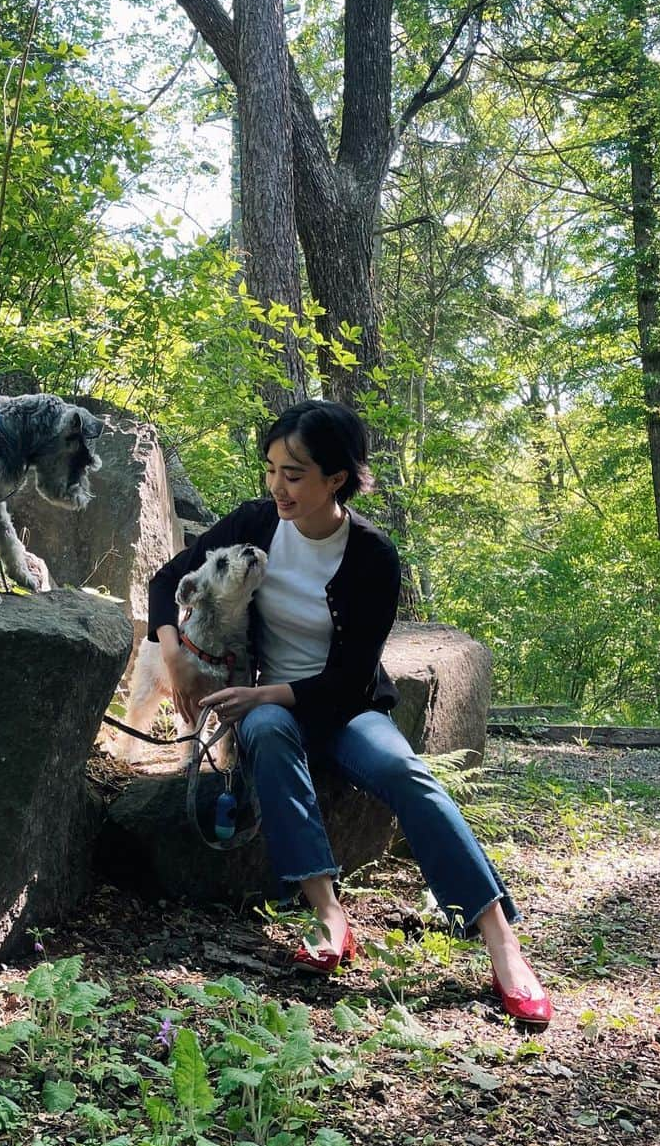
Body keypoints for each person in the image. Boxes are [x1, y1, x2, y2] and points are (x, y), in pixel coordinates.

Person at [146, 399, 552, 1025]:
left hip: (346, 706)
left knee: (407, 774)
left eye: (295, 473)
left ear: (336, 479)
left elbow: (347, 679)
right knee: (270, 734)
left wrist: (262, 694)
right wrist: (174, 656)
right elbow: (166, 580)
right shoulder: (255, 522)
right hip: (269, 709)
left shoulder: (371, 556)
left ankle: (501, 940)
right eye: (272, 469)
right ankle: (329, 915)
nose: (278, 486)